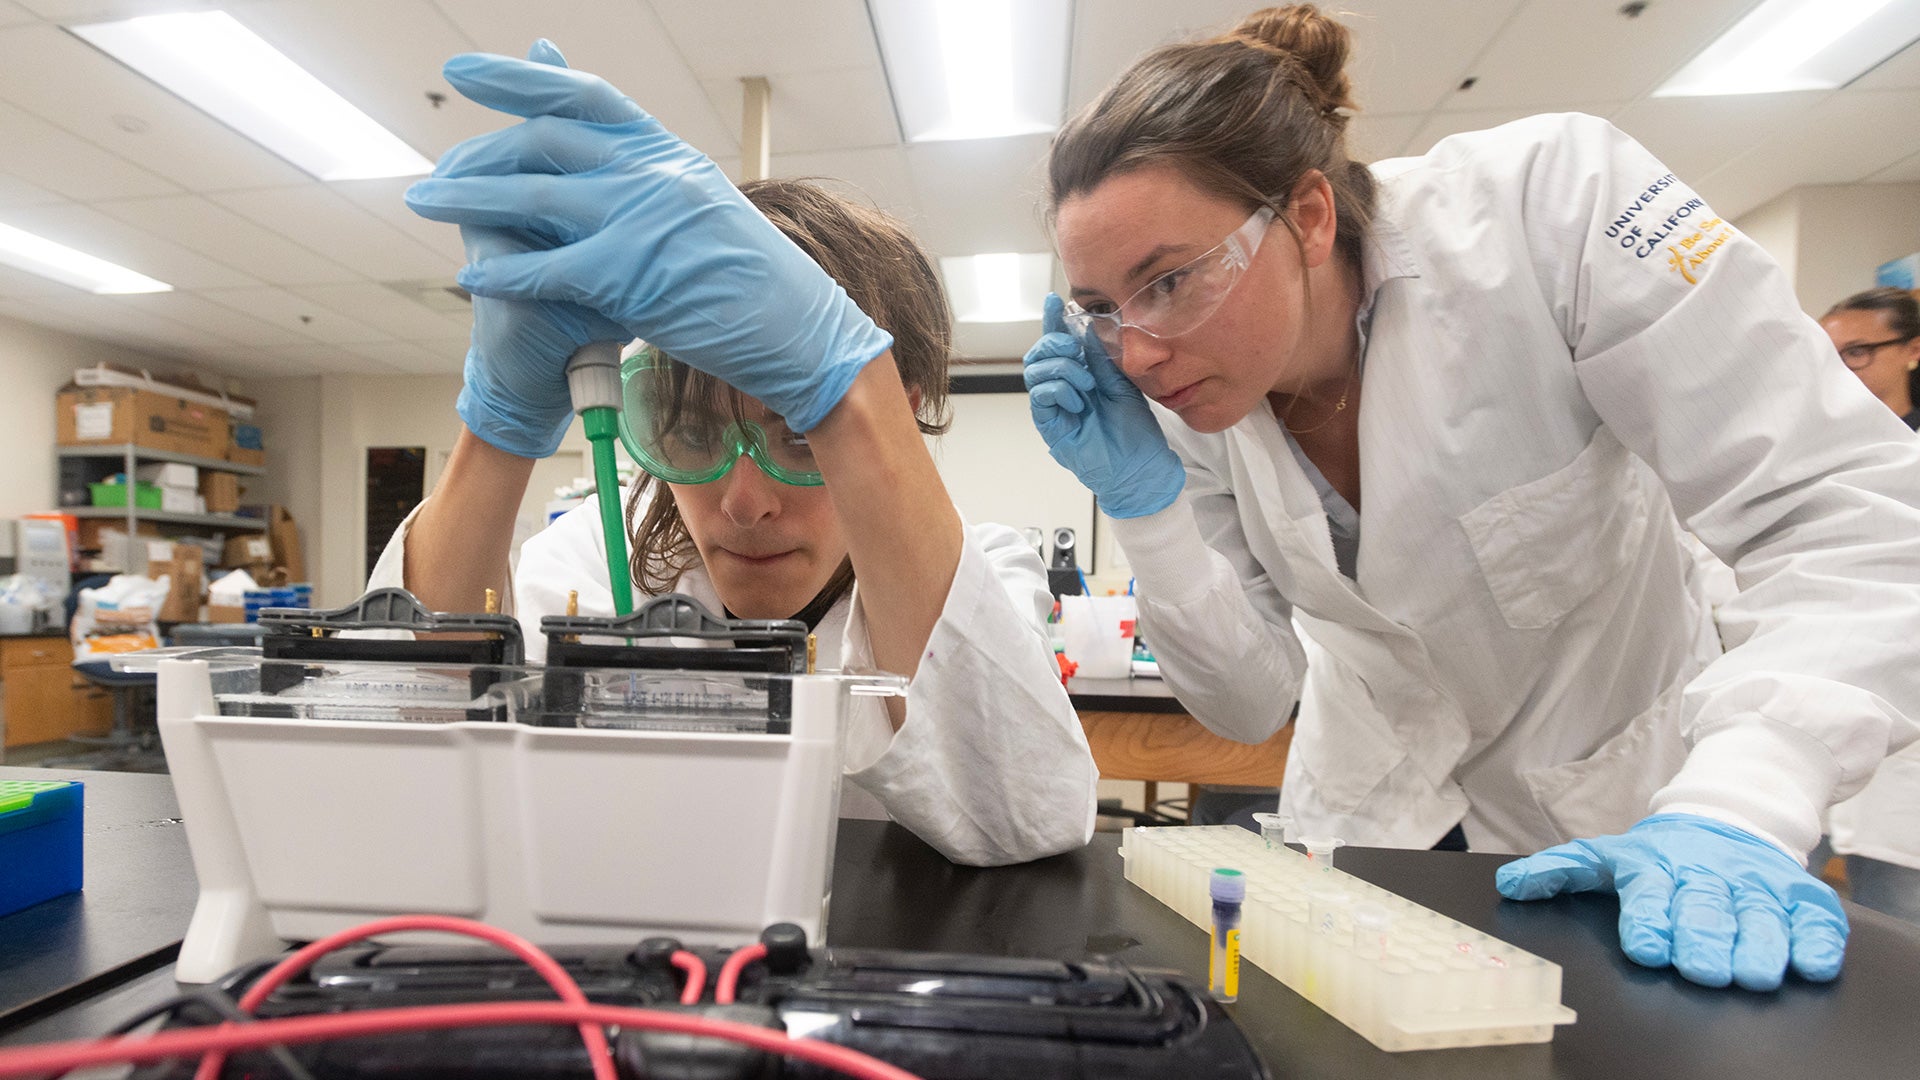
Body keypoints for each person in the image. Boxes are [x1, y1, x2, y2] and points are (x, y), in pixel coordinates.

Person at [1022, 4, 1920, 990]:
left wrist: (1744, 802)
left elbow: (1848, 514)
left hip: (1628, 830)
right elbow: (1249, 702)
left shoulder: (1551, 210)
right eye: (1103, 308)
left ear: (1309, 217)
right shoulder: (1198, 399)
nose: (1137, 351)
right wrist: (1148, 513)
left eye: (1169, 281)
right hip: (1366, 826)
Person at [382, 43, 1098, 867]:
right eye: (691, 435)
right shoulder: (592, 558)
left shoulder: (984, 570)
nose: (745, 500)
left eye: (802, 433)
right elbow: (407, 744)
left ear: (893, 424)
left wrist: (845, 391)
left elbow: (1022, 818)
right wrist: (497, 428)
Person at [1810, 287, 1920, 923]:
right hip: (1813, 707)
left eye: (1858, 352)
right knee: (1785, 890)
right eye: (1826, 355)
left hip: (1905, 725)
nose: (1841, 368)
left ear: (1911, 351)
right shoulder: (1812, 454)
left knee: (1900, 918)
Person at [1823, 286, 1920, 431]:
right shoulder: (1812, 439)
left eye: (1855, 352)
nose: (1837, 367)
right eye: (1828, 354)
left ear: (1914, 350)